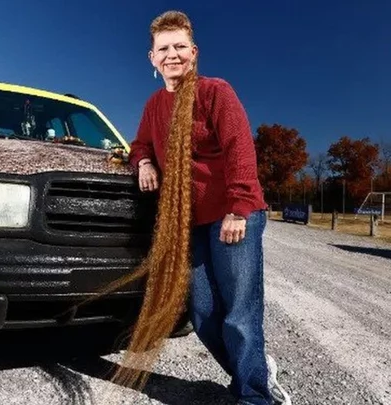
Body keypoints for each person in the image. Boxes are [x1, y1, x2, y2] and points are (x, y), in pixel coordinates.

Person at [123, 10, 292, 405]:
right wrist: (144, 162)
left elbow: (240, 149)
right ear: (152, 57)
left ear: (194, 52)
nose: (172, 55)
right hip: (192, 223)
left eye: (180, 46)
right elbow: (141, 144)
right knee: (201, 312)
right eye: (163, 48)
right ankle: (255, 371)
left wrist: (237, 209)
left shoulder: (215, 92)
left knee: (240, 312)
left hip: (234, 214)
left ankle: (255, 396)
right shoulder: (153, 106)